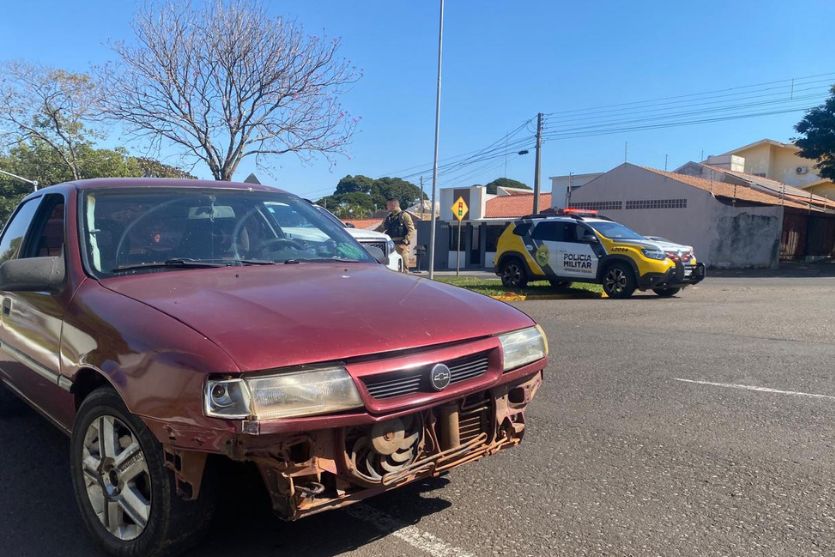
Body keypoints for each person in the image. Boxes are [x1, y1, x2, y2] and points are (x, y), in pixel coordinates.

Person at [377, 197, 415, 273]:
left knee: (403, 268)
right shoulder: (389, 217)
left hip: (401, 246)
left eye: (388, 205)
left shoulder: (404, 215)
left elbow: (411, 230)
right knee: (391, 268)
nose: (387, 207)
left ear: (393, 205)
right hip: (390, 246)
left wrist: (406, 241)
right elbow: (381, 228)